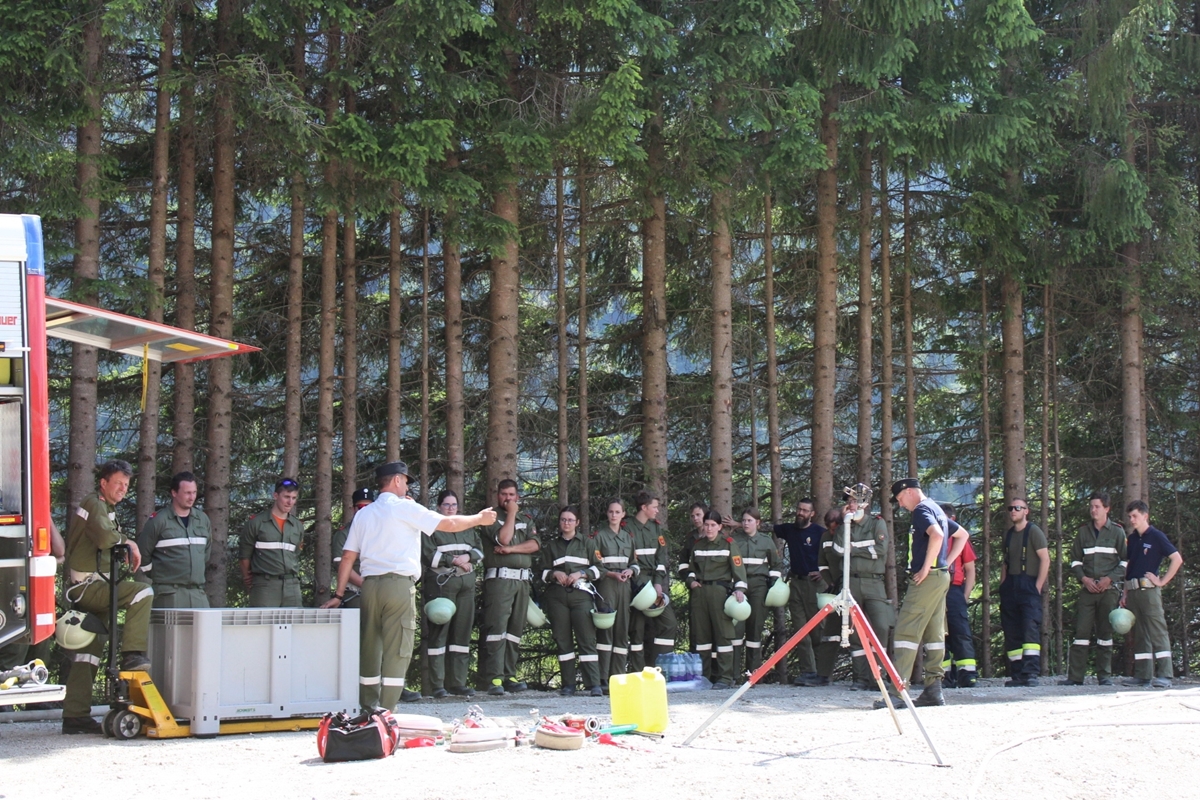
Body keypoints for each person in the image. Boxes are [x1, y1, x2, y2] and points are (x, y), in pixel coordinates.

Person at [322, 461, 495, 710]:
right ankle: (387, 712)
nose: (406, 486)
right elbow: (449, 524)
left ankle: (368, 708)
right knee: (398, 649)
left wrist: (339, 594)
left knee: (371, 648)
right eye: (405, 481)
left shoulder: (363, 514)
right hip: (398, 586)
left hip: (369, 587)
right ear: (396, 481)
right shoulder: (404, 508)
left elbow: (348, 557)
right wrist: (479, 518)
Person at [61, 460, 153, 734]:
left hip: (90, 586)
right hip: (89, 587)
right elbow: (104, 538)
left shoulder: (102, 506)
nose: (123, 489)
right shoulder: (95, 504)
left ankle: (74, 715)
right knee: (142, 592)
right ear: (103, 483)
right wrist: (130, 542)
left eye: (126, 485)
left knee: (87, 653)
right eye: (118, 483)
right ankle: (133, 654)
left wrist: (123, 540)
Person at [876, 478, 968, 708]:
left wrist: (927, 567)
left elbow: (936, 535)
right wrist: (943, 563)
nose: (901, 505)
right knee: (934, 632)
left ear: (909, 492)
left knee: (906, 632)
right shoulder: (937, 507)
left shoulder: (922, 510)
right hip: (941, 578)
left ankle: (898, 693)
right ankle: (933, 690)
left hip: (926, 579)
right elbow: (962, 535)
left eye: (900, 499)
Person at [421, 489, 484, 698]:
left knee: (462, 632)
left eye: (454, 505)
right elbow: (428, 554)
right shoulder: (432, 527)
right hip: (442, 584)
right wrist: (454, 560)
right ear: (439, 507)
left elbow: (479, 550)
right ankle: (437, 685)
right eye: (446, 505)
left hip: (465, 584)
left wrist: (467, 557)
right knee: (439, 631)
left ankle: (457, 683)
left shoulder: (467, 527)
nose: (450, 509)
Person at [479, 478, 539, 695]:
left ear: (518, 496)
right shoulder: (491, 518)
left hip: (522, 580)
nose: (508, 498)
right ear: (498, 496)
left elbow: (534, 545)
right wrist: (511, 514)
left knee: (515, 630)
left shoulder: (526, 518)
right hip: (500, 580)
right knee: (497, 629)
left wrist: (513, 550)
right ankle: (495, 678)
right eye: (504, 494)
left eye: (511, 495)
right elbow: (503, 539)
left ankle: (509, 674)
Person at [1061, 492, 1125, 686]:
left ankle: (1104, 676)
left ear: (1107, 508)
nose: (1093, 510)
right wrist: (1084, 579)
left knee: (1105, 634)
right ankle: (1075, 677)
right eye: (1091, 507)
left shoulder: (1117, 532)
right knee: (1081, 633)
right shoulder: (1083, 532)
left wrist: (1109, 579)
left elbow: (1125, 561)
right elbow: (1074, 560)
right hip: (1088, 590)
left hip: (1109, 590)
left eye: (1097, 506)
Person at [539, 506, 604, 696]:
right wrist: (554, 574)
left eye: (570, 520)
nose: (566, 523)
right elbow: (541, 573)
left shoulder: (587, 544)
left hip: (581, 596)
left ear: (577, 523)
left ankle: (593, 684)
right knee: (563, 640)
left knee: (586, 639)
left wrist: (581, 573)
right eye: (563, 520)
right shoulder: (551, 546)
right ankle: (568, 684)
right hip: (557, 597)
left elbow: (600, 570)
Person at [1122, 500, 1183, 688]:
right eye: (1130, 516)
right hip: (1133, 591)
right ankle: (1143, 674)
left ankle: (1165, 674)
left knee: (1157, 630)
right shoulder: (1132, 539)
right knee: (1140, 633)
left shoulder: (1156, 536)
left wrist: (1162, 581)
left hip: (1149, 591)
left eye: (1135, 516)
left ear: (1145, 516)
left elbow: (1176, 558)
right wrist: (1124, 593)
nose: (1132, 520)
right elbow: (1129, 566)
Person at [684, 509, 748, 690]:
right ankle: (705, 676)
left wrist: (740, 589)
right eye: (706, 525)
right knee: (702, 637)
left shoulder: (729, 544)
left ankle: (725, 677)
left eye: (713, 525)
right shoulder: (698, 545)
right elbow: (690, 568)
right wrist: (691, 582)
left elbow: (739, 571)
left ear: (720, 527)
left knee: (723, 635)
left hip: (721, 593)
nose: (709, 528)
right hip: (700, 593)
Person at [840, 491, 893, 690]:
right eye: (850, 502)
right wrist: (843, 522)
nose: (852, 505)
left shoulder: (876, 523)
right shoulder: (846, 525)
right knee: (854, 631)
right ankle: (860, 678)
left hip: (874, 582)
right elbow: (838, 549)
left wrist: (854, 549)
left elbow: (880, 550)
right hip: (851, 582)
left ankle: (879, 676)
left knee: (881, 625)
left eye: (856, 501)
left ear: (866, 504)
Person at [135, 471, 211, 608]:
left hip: (197, 593)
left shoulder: (203, 520)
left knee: (203, 629)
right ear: (174, 493)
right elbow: (142, 555)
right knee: (172, 630)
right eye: (187, 493)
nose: (192, 497)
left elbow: (205, 553)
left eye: (194, 492)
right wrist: (159, 575)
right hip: (168, 593)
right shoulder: (159, 521)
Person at [772, 498, 824, 685]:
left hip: (814, 585)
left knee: (817, 630)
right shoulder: (789, 530)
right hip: (796, 584)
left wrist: (824, 572)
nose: (800, 513)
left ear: (812, 514)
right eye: (799, 509)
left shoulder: (820, 533)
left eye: (805, 510)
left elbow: (832, 554)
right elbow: (763, 528)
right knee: (800, 630)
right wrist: (739, 524)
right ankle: (808, 672)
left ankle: (823, 672)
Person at [625, 490, 678, 672]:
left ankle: (661, 668)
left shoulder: (656, 528)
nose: (657, 511)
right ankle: (639, 672)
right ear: (644, 507)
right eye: (654, 507)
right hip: (635, 583)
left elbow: (661, 560)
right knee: (637, 631)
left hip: (652, 583)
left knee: (669, 623)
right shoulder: (627, 527)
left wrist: (657, 583)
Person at [999, 497, 1049, 687]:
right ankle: (1017, 673)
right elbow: (1006, 561)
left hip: (1028, 585)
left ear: (1026, 511)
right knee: (1012, 630)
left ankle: (1031, 673)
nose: (1013, 511)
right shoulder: (1009, 534)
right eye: (1011, 508)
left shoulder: (1034, 532)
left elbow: (1045, 559)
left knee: (1030, 629)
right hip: (1011, 586)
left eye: (1018, 508)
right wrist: (1003, 585)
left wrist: (1037, 586)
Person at [239, 478, 305, 607]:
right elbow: (244, 557)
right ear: (275, 495)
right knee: (263, 625)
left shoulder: (297, 526)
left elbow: (295, 554)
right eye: (286, 497)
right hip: (265, 585)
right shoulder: (256, 523)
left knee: (294, 624)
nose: (290, 502)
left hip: (292, 585)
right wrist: (248, 578)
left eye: (293, 498)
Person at [732, 507, 781, 674]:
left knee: (754, 629)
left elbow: (775, 566)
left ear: (757, 523)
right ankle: (734, 673)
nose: (746, 523)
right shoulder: (734, 540)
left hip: (759, 587)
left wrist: (773, 586)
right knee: (736, 630)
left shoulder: (766, 541)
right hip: (738, 587)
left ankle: (753, 673)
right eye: (744, 520)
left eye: (749, 520)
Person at [591, 498, 635, 682]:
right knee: (606, 628)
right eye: (611, 512)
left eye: (618, 512)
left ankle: (618, 676)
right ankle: (603, 677)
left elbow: (634, 562)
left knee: (622, 629)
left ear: (623, 514)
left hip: (624, 586)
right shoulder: (599, 537)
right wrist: (611, 574)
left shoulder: (628, 538)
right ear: (607, 514)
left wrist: (631, 571)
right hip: (607, 585)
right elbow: (595, 566)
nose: (614, 515)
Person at [939, 503, 977, 689]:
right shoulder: (933, 537)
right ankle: (943, 675)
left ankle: (967, 675)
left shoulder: (961, 540)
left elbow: (970, 569)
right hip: (936, 590)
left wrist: (965, 595)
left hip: (955, 590)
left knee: (960, 632)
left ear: (952, 520)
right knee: (939, 633)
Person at [809, 506, 846, 687]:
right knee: (830, 633)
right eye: (829, 528)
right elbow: (822, 563)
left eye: (834, 528)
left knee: (855, 633)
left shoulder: (848, 533)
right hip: (835, 588)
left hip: (851, 586)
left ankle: (865, 678)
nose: (832, 532)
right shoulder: (825, 538)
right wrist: (830, 582)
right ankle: (823, 674)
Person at [330, 487, 372, 608]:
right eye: (361, 507)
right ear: (353, 509)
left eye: (368, 507)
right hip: (355, 593)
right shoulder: (343, 534)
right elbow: (341, 565)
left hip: (379, 591)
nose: (364, 511)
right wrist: (365, 585)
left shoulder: (380, 532)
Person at [677, 502, 709, 652]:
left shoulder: (717, 536)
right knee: (696, 629)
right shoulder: (691, 538)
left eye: (698, 515)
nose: (695, 519)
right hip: (696, 588)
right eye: (692, 516)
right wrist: (689, 580)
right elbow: (683, 563)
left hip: (715, 588)